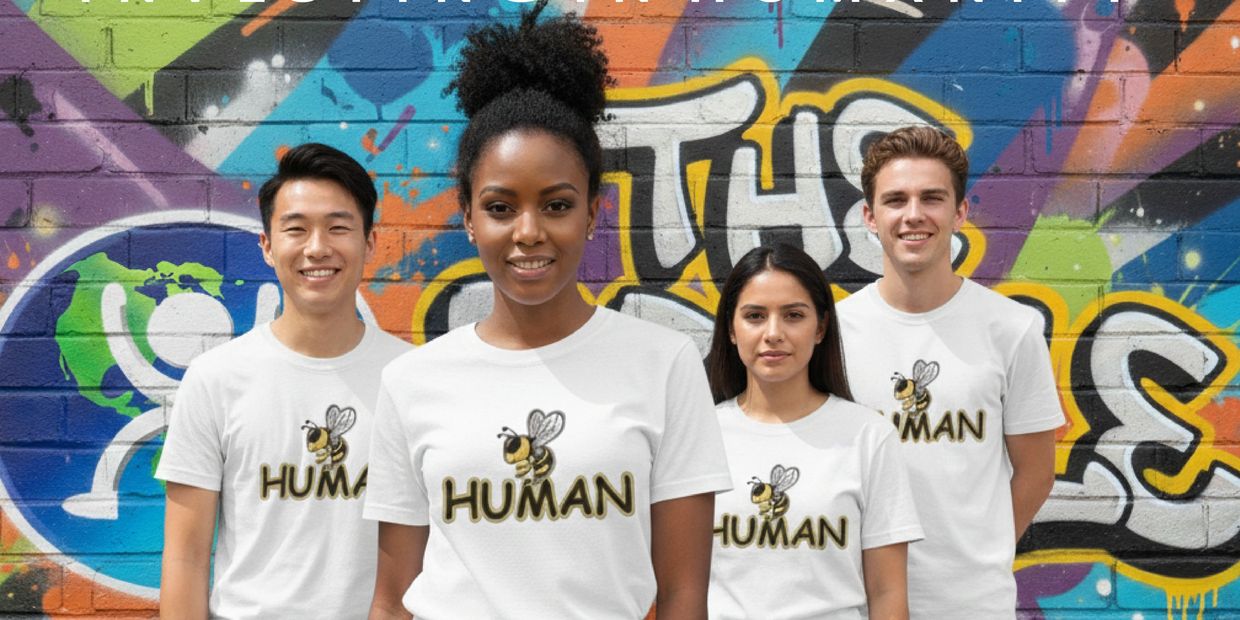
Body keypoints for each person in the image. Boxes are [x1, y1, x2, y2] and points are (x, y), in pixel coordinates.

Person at [362, 2, 731, 618]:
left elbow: (685, 597)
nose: (528, 232)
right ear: (468, 215)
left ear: (593, 211)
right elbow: (391, 600)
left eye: (557, 206)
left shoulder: (665, 365)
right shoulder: (411, 382)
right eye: (501, 207)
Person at [157, 143, 412, 618]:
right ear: (268, 246)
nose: (317, 247)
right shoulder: (216, 379)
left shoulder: (411, 379)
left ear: (371, 243)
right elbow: (185, 558)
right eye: (296, 229)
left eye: (338, 227)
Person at [836, 126, 1063, 618]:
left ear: (959, 213)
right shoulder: (832, 333)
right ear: (870, 218)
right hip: (853, 600)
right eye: (895, 200)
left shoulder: (1011, 328)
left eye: (932, 198)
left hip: (973, 604)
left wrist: (980, 553)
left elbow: (1037, 471)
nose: (913, 215)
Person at [705, 244, 922, 620]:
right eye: (755, 316)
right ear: (731, 330)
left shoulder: (868, 437)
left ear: (820, 328)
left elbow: (887, 592)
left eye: (793, 316)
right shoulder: (700, 435)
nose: (773, 333)